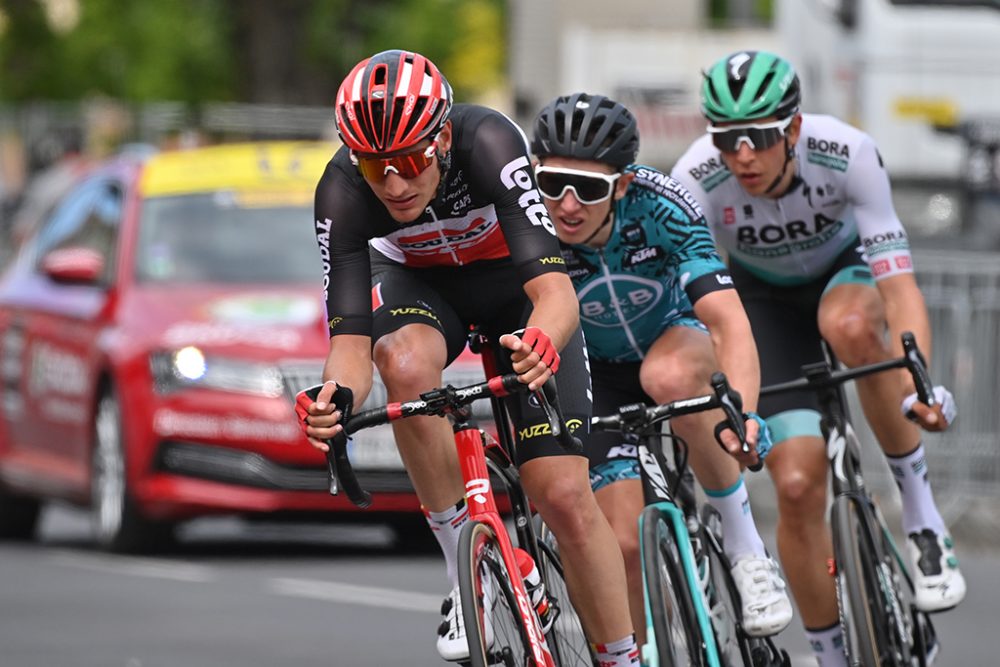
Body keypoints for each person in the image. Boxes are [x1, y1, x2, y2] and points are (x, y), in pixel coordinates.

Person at [294, 50, 639, 666]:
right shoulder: (342, 193)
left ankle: (622, 657)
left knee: (562, 495)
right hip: (423, 296)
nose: (395, 183)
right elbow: (347, 346)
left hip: (514, 290)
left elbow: (555, 296)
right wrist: (334, 398)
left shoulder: (488, 144)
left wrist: (539, 344)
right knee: (399, 361)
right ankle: (464, 569)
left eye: (409, 160)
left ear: (443, 136)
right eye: (376, 166)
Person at [671, 50, 966, 667]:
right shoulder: (695, 177)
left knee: (852, 324)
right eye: (727, 139)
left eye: (759, 137)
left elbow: (899, 288)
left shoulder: (847, 152)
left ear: (795, 130)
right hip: (762, 301)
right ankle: (831, 654)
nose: (743, 155)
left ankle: (920, 516)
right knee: (800, 484)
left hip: (844, 275)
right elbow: (697, 307)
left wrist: (923, 385)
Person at [530, 92, 793, 641]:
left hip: (672, 339)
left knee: (668, 378)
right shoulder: (528, 220)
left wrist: (739, 411)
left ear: (623, 185)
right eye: (554, 183)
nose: (569, 205)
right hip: (592, 372)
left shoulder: (662, 205)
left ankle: (745, 547)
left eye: (591, 188)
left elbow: (727, 322)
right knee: (623, 544)